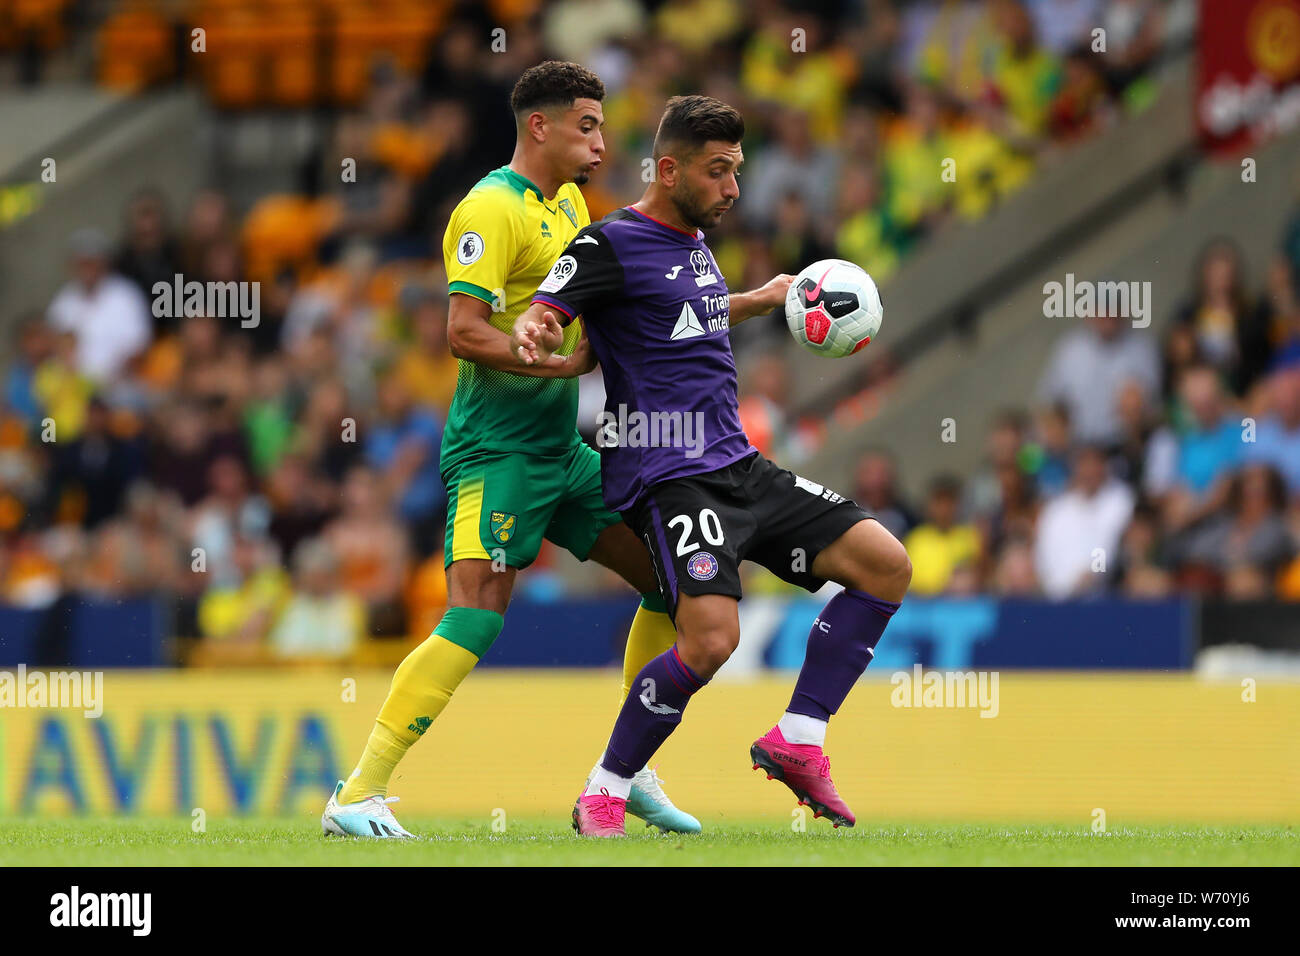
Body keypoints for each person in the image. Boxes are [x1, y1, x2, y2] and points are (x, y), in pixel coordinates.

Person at [513, 94, 912, 837]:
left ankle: (800, 738)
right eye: (719, 172)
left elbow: (679, 314)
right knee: (710, 642)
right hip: (668, 475)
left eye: (738, 171)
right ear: (668, 170)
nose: (734, 189)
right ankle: (605, 790)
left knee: (885, 564)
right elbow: (548, 309)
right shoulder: (607, 245)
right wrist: (536, 332)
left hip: (738, 466)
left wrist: (757, 300)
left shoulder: (694, 244)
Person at [323, 62, 697, 840]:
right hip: (496, 451)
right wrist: (557, 363)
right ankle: (358, 791)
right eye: (586, 126)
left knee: (673, 577)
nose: (600, 141)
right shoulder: (488, 209)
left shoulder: (567, 201)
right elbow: (461, 331)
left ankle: (624, 774)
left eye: (599, 125)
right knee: (477, 616)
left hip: (562, 449)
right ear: (541, 126)